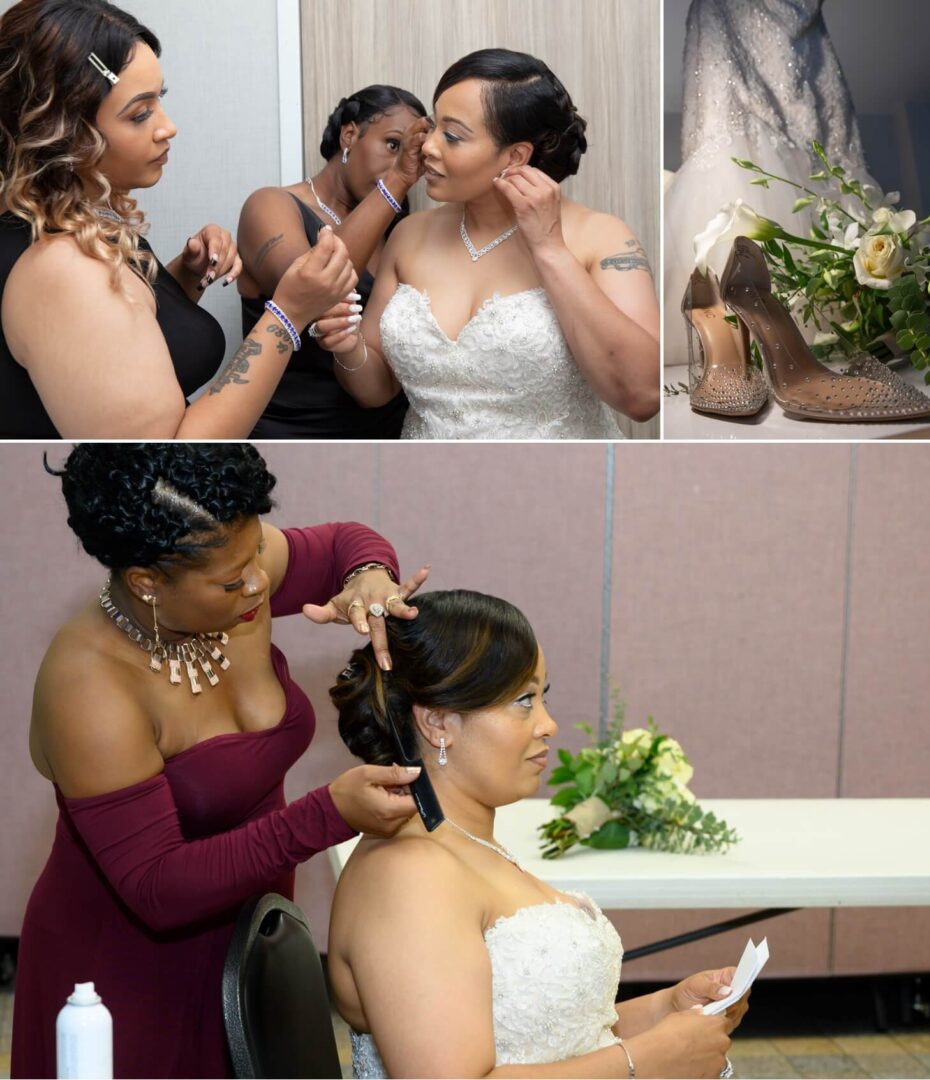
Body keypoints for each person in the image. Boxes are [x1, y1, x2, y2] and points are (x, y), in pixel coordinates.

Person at [11, 443, 430, 1079]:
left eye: (257, 550)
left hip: (250, 945)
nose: (260, 581)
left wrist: (368, 576)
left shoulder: (238, 580)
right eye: (233, 579)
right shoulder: (90, 687)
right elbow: (156, 885)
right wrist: (325, 815)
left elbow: (347, 541)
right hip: (121, 977)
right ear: (147, 582)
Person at [328, 591, 749, 1078]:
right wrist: (649, 1060)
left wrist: (666, 1012)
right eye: (523, 701)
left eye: (542, 697)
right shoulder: (407, 874)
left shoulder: (464, 842)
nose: (548, 725)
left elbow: (538, 1042)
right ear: (438, 721)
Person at [0, 0, 356, 438]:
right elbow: (162, 466)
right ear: (64, 130)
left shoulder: (81, 222)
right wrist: (288, 313)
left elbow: (118, 341)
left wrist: (182, 279)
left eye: (159, 102)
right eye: (140, 113)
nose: (168, 127)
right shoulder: (61, 268)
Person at [314, 49, 660, 439]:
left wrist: (549, 249)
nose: (427, 147)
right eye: (434, 126)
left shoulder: (603, 237)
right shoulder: (410, 234)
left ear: (515, 156)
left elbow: (643, 397)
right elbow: (377, 390)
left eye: (453, 136)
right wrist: (347, 348)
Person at [663, 0, 873, 369]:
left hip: (746, 148)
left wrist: (698, 156)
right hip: (779, 153)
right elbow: (831, 110)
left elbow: (707, 107)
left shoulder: (714, 7)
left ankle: (745, 347)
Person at [237, 85, 429, 439]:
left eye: (410, 156)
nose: (400, 162)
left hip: (388, 428)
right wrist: (397, 179)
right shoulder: (270, 206)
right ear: (350, 134)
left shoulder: (402, 232)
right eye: (392, 144)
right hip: (292, 430)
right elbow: (313, 290)